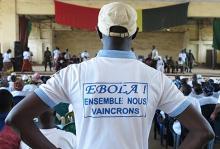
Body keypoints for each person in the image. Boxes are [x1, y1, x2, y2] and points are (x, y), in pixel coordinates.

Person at [6, 2, 214, 149]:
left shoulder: (73, 73)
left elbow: (16, 118)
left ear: (98, 31)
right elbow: (203, 132)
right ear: (135, 32)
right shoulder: (156, 78)